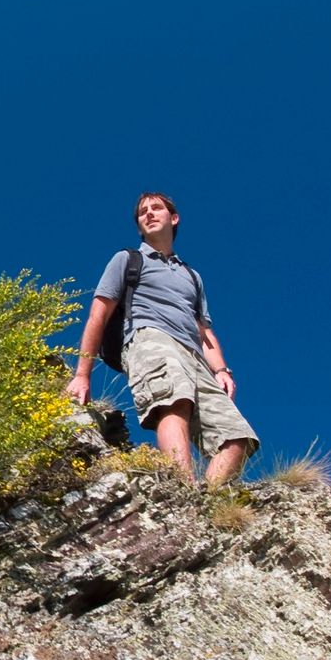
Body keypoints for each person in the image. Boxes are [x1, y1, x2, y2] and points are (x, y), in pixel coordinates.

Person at [66, 192, 259, 487]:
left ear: (174, 218)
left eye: (156, 208)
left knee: (238, 438)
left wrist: (221, 370)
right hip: (149, 338)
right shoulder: (128, 259)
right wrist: (82, 375)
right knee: (174, 403)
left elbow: (204, 332)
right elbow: (98, 315)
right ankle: (182, 488)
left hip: (195, 357)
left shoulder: (192, 276)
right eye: (142, 211)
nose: (149, 213)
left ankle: (206, 502)